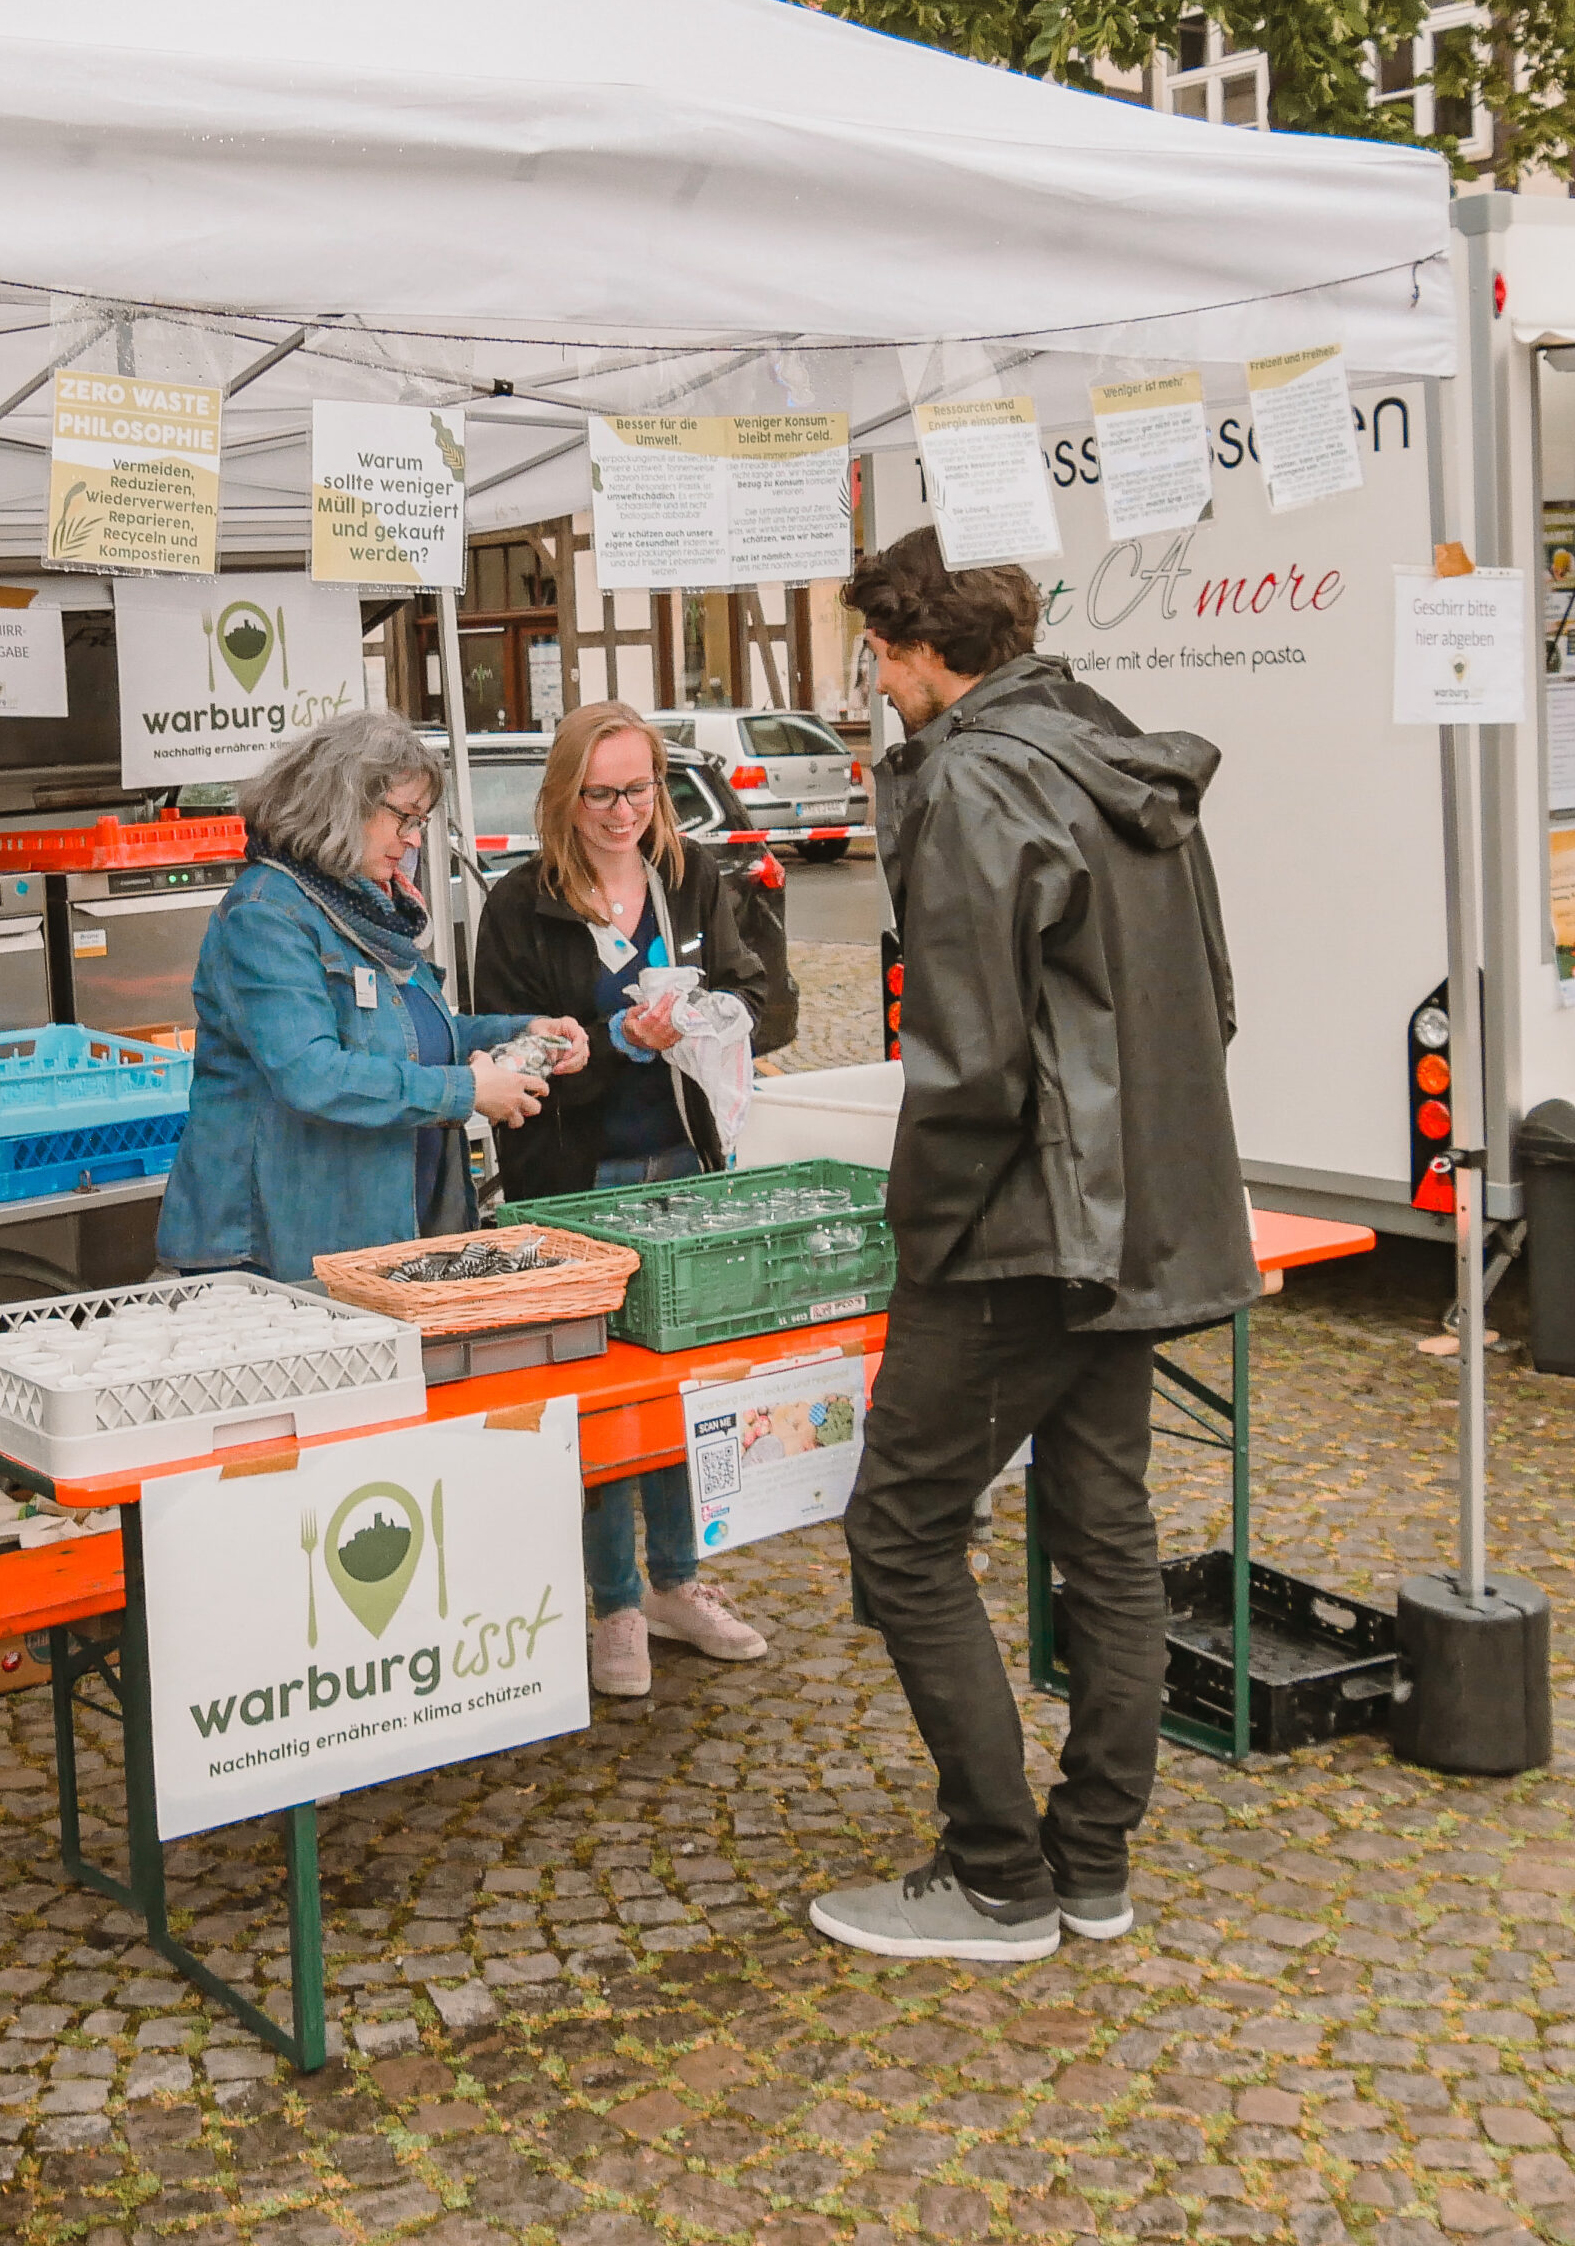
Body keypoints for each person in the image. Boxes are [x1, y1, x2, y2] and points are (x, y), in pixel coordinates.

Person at [808, 527, 1257, 1965]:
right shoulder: (1112, 749)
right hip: (1129, 1217)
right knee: (1105, 1535)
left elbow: (970, 1062)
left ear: (931, 648)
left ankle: (998, 1873)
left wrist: (922, 1233)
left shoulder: (979, 778)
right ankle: (1093, 1863)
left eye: (879, 655)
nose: (875, 684)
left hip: (1024, 1230)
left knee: (902, 1532)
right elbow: (1214, 998)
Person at [474, 701, 775, 1695]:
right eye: (599, 792)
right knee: (602, 1401)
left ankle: (677, 1581)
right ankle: (612, 1603)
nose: (620, 811)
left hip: (686, 1170)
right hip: (575, 1183)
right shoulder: (521, 906)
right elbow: (512, 1066)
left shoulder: (687, 876)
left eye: (637, 789)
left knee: (684, 1393)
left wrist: (708, 1016)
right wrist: (614, 1043)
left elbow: (767, 996)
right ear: (564, 794)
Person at [155, 707, 587, 1281]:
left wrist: (519, 1034)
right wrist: (466, 1091)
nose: (411, 842)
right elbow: (313, 1073)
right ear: (342, 804)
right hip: (283, 1251)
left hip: (381, 1237)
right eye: (404, 819)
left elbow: (407, 1037)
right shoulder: (264, 916)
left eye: (420, 822)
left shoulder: (365, 907)